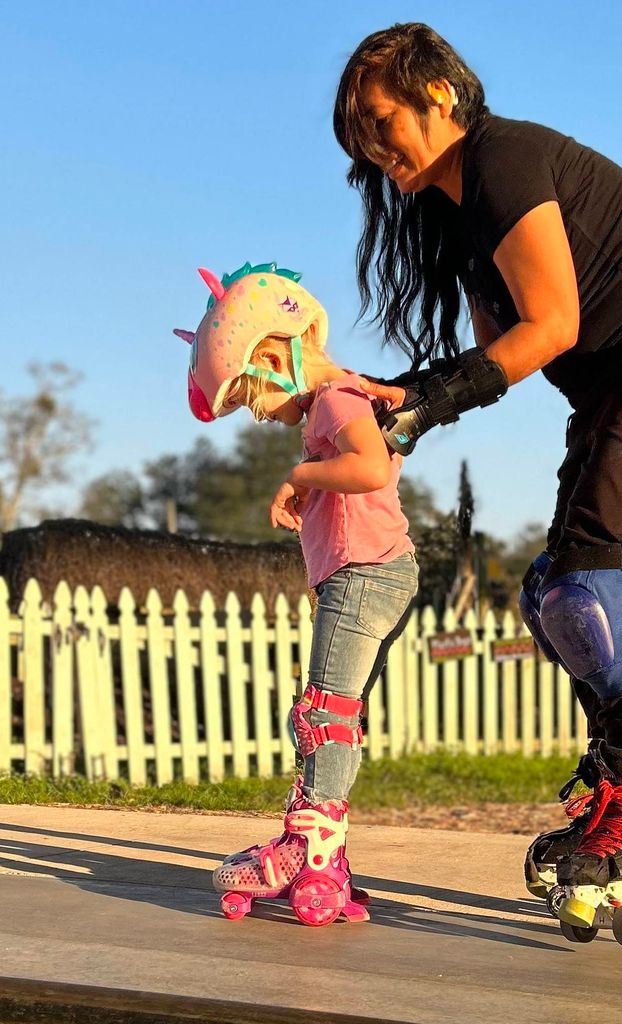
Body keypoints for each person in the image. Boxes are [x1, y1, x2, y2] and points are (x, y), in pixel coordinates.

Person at [333, 24, 622, 929]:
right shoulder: (461, 218)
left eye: (381, 121)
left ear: (441, 97)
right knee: (557, 592)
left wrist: (428, 401)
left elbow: (553, 323)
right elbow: (502, 353)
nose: (374, 148)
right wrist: (405, 398)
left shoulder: (506, 158)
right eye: (359, 138)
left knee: (597, 581)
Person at [174, 261, 418, 926]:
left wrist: (299, 470)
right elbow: (371, 464)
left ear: (277, 352)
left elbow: (368, 467)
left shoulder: (336, 400)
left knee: (323, 715)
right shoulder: (338, 403)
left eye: (251, 394)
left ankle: (309, 852)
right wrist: (310, 482)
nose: (256, 414)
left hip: (366, 573)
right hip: (370, 572)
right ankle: (326, 853)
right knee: (336, 716)